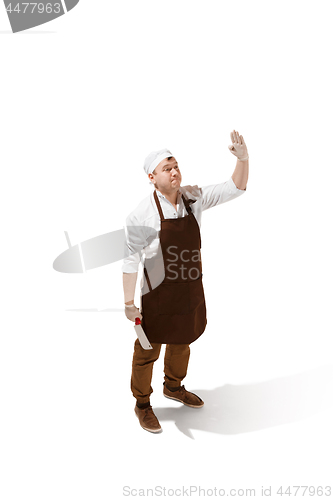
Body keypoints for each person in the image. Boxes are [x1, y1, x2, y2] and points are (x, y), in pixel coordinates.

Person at [122, 130, 249, 433]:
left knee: (182, 342)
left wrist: (243, 160)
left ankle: (174, 387)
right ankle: (142, 404)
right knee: (146, 353)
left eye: (176, 165)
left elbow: (236, 187)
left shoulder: (193, 197)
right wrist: (129, 304)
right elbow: (130, 261)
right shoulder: (141, 214)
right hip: (156, 295)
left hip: (190, 289)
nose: (175, 171)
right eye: (167, 168)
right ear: (152, 177)